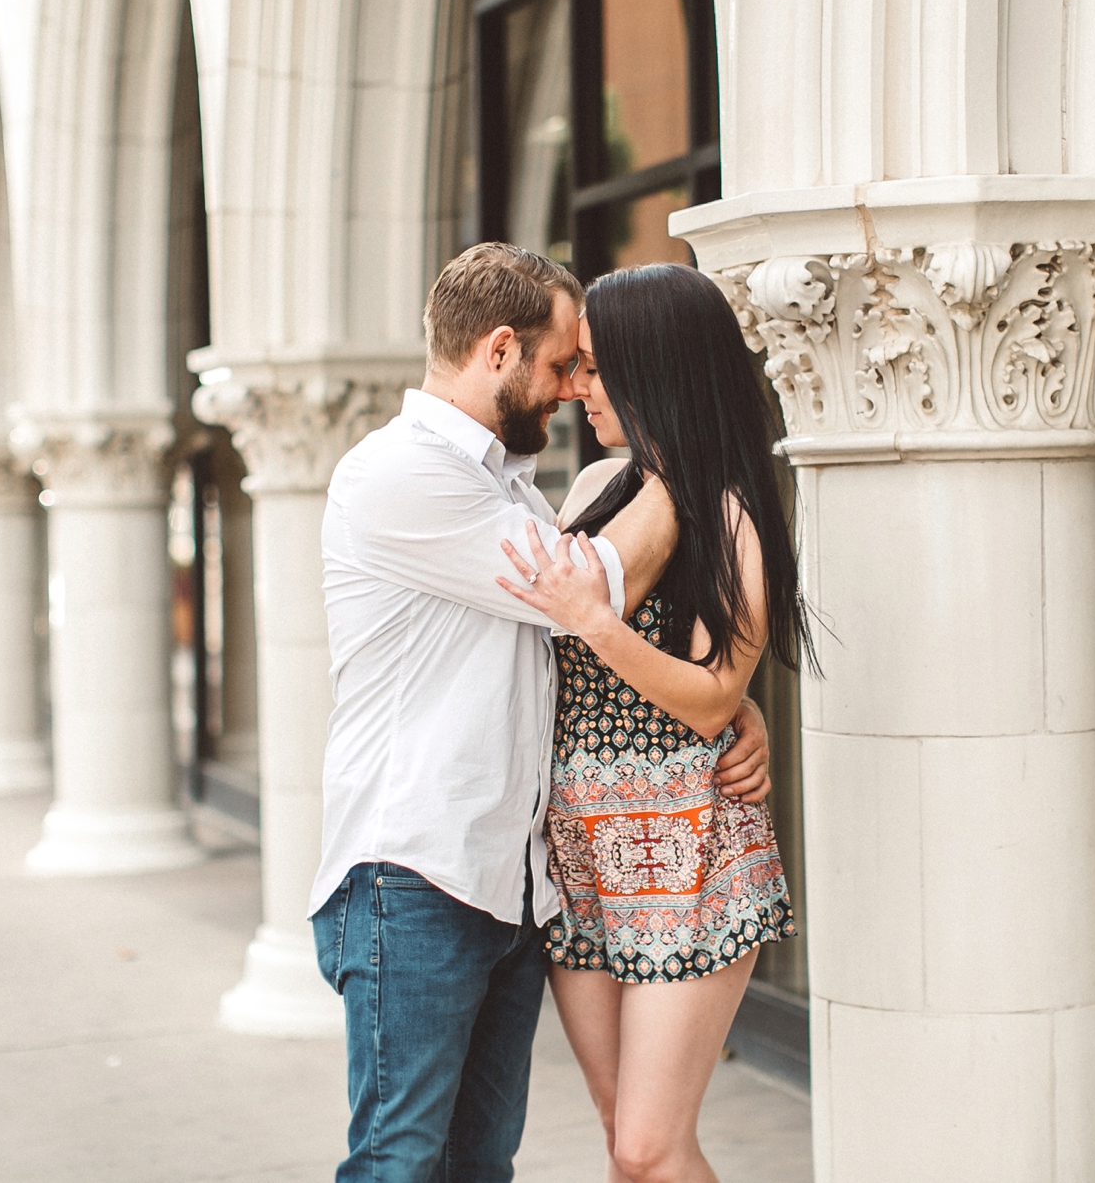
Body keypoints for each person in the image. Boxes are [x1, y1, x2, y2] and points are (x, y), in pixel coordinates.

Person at [312, 243, 774, 1183]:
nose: (573, 389)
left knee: (496, 1160)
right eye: (568, 363)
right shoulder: (403, 475)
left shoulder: (509, 484)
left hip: (537, 877)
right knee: (401, 1161)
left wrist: (732, 703)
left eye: (594, 368)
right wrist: (676, 470)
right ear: (497, 352)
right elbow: (581, 596)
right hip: (420, 873)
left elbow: (598, 647)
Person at [498, 262, 809, 1183]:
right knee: (617, 1133)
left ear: (654, 369)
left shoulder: (735, 509)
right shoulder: (597, 482)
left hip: (691, 851)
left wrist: (599, 623)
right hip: (580, 848)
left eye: (595, 368)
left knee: (650, 1145)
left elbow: (712, 690)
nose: (578, 387)